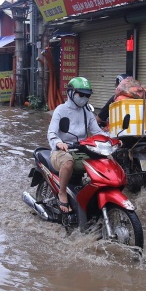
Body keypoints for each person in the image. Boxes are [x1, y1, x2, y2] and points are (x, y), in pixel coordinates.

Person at [47, 77, 103, 212]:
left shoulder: (87, 112)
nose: (84, 98)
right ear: (71, 93)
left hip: (82, 149)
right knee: (68, 162)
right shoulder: (60, 110)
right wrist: (59, 143)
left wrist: (114, 139)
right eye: (81, 94)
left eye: (87, 95)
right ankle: (62, 192)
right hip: (61, 151)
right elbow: (51, 133)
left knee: (107, 161)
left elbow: (98, 132)